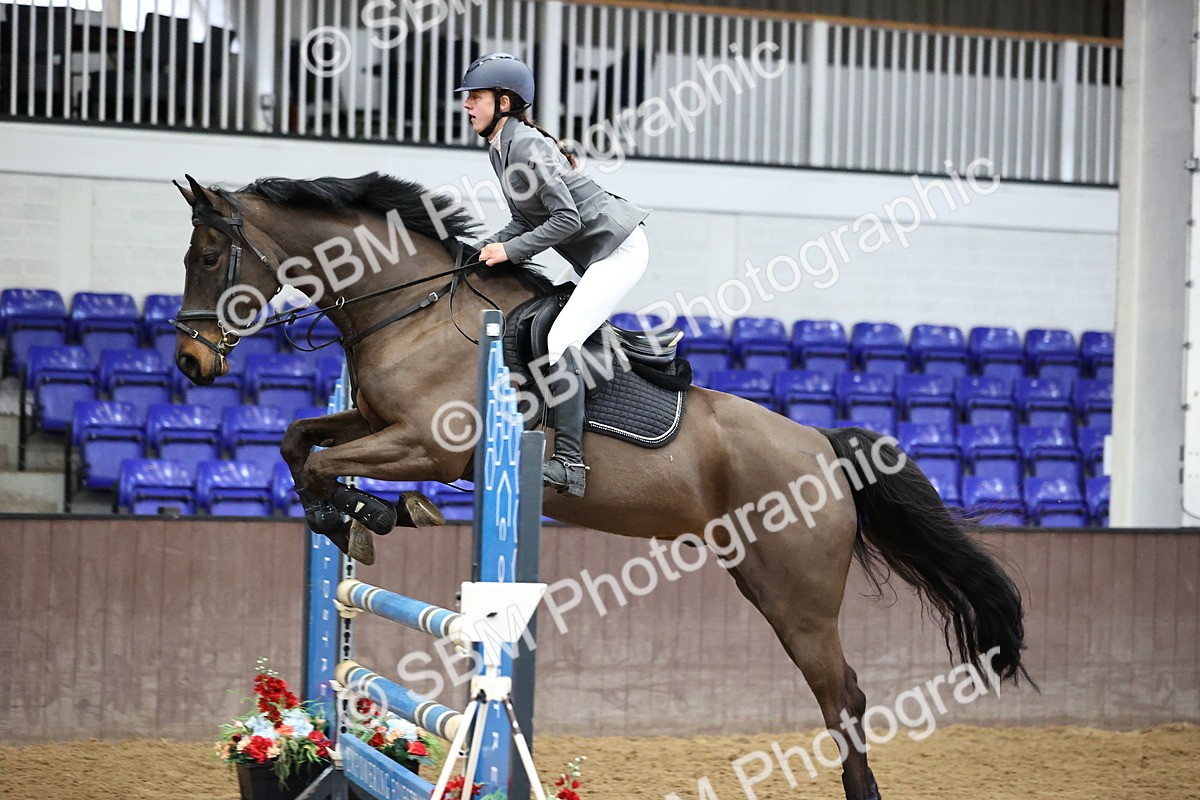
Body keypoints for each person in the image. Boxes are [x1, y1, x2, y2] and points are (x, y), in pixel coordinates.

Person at [456, 52, 651, 498]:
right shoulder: (501, 146)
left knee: (561, 341)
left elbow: (566, 220)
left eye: (477, 97)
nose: (468, 105)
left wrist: (509, 250)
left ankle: (570, 464)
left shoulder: (523, 145)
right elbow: (526, 220)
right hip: (601, 252)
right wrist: (484, 251)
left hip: (619, 250)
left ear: (504, 102)